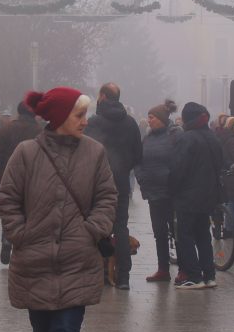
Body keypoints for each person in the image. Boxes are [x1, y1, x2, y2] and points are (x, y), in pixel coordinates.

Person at [0, 87, 116, 332]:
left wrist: (93, 229)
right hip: (34, 258)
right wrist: (20, 233)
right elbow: (8, 197)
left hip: (78, 257)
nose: (85, 121)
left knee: (66, 329)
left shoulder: (95, 153)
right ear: (60, 117)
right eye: (79, 115)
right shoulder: (26, 153)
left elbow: (108, 196)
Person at [84, 82, 143, 289]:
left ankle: (98, 274)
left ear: (102, 96)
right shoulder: (131, 123)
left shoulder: (94, 122)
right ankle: (123, 277)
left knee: (96, 228)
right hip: (121, 184)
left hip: (97, 185)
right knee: (120, 228)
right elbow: (138, 154)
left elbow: (85, 152)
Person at [169, 102, 223, 289]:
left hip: (188, 196)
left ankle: (194, 276)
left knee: (185, 235)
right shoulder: (213, 137)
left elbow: (178, 169)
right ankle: (209, 275)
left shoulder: (187, 138)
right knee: (203, 235)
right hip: (209, 195)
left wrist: (172, 189)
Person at [0, 99, 42, 266]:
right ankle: (25, 246)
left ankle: (7, 238)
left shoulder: (6, 129)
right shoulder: (40, 131)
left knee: (9, 211)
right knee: (29, 212)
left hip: (8, 177)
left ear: (19, 112)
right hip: (33, 179)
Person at [136, 103, 180, 282]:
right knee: (159, 232)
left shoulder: (175, 136)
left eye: (152, 117)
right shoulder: (147, 138)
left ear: (162, 119)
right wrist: (141, 178)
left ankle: (184, 269)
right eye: (148, 116)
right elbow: (138, 159)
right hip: (153, 193)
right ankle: (163, 269)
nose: (149, 120)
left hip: (172, 193)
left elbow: (181, 160)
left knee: (177, 231)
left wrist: (172, 178)